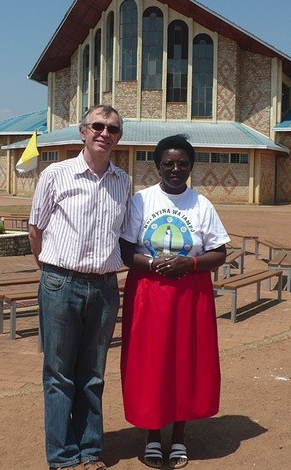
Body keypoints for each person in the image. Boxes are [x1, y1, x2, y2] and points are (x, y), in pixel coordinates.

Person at [28, 104, 131, 470]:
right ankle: (63, 457)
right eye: (98, 126)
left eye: (113, 129)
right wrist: (51, 271)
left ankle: (90, 450)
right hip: (61, 282)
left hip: (104, 287)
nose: (105, 133)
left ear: (119, 138)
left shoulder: (123, 181)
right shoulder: (56, 174)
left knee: (93, 373)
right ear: (82, 132)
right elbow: (35, 229)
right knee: (58, 373)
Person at [119, 134, 230, 469]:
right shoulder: (141, 201)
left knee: (185, 363)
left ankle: (179, 436)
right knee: (152, 363)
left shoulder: (201, 204)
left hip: (190, 295)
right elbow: (126, 252)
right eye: (168, 163)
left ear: (191, 166)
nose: (175, 169)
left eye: (182, 163)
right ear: (157, 166)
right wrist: (153, 263)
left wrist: (191, 263)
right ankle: (153, 435)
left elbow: (220, 252)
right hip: (149, 296)